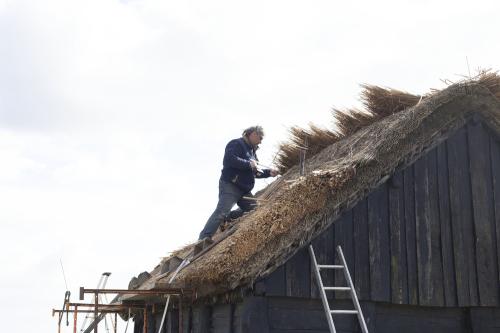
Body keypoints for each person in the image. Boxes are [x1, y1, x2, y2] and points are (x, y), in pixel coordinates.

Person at [198, 125, 279, 240]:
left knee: (255, 210)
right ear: (253, 134)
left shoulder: (252, 153)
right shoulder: (236, 144)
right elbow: (230, 159)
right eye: (260, 138)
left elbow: (255, 172)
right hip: (231, 185)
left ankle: (230, 217)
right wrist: (248, 164)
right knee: (221, 211)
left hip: (244, 190)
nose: (260, 142)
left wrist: (268, 173)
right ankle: (203, 239)